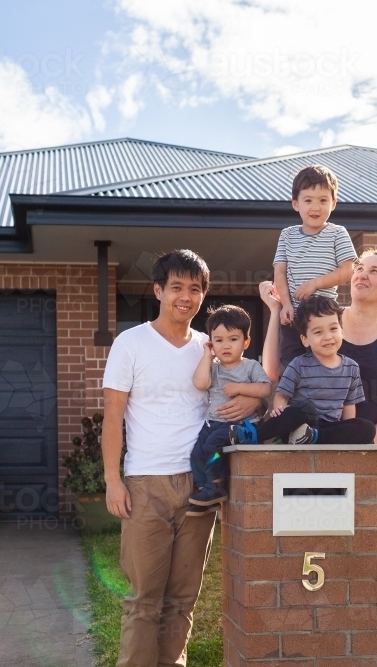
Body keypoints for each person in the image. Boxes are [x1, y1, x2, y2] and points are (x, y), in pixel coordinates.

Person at [101, 250, 263, 667]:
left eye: (195, 289)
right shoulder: (130, 343)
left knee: (182, 600)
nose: (185, 297)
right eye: (176, 287)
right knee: (144, 600)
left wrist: (247, 405)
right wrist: (112, 480)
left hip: (198, 485)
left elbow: (248, 391)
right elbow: (113, 416)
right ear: (158, 290)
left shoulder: (211, 348)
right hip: (145, 485)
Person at [260, 249, 377, 515]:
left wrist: (364, 445)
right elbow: (275, 371)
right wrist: (274, 311)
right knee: (323, 530)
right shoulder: (326, 320)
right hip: (320, 449)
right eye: (359, 268)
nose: (362, 274)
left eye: (374, 271)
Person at [230, 295, 375, 445]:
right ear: (305, 339)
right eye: (318, 332)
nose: (328, 337)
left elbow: (349, 406)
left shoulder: (351, 367)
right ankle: (253, 435)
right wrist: (280, 411)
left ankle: (313, 437)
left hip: (327, 429)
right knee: (303, 408)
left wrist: (349, 430)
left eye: (333, 329)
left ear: (342, 330)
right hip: (299, 422)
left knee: (367, 428)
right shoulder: (299, 364)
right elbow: (282, 395)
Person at [273, 164, 357, 369]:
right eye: (308, 200)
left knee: (325, 364)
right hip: (294, 314)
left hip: (324, 316)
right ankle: (292, 402)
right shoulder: (287, 235)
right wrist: (285, 304)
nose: (315, 207)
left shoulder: (338, 233)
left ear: (333, 203)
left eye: (323, 200)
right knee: (291, 364)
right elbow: (280, 273)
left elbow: (347, 270)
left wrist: (316, 283)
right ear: (296, 204)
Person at [188, 304, 271, 512]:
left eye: (233, 339)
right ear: (211, 343)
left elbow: (266, 389)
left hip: (240, 423)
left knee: (212, 448)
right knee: (197, 452)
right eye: (219, 340)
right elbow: (199, 383)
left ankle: (216, 484)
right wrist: (207, 356)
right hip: (214, 422)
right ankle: (204, 489)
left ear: (246, 342)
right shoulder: (213, 368)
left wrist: (241, 388)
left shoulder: (250, 366)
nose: (226, 346)